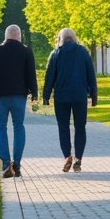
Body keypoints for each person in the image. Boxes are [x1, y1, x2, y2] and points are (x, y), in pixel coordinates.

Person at [0, 24, 38, 178]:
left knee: (1, 127)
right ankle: (18, 164)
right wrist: (34, 93)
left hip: (0, 96)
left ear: (6, 37)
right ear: (19, 36)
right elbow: (30, 74)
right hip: (19, 96)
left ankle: (6, 164)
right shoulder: (26, 51)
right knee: (19, 127)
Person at [42, 27, 97, 173]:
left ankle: (67, 156)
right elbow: (91, 75)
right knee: (80, 127)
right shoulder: (84, 52)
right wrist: (94, 96)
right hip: (79, 96)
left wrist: (46, 96)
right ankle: (78, 159)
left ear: (60, 39)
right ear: (74, 38)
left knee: (63, 127)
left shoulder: (56, 54)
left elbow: (49, 77)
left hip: (61, 97)